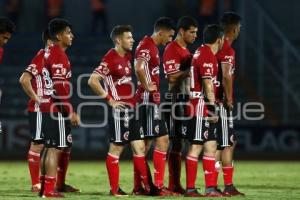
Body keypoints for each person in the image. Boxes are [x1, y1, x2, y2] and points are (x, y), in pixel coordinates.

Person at [88, 25, 152, 196]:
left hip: (132, 109)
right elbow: (93, 80)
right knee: (116, 149)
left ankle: (147, 188)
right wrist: (110, 100)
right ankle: (115, 189)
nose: (132, 40)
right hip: (120, 111)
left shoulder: (128, 57)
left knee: (139, 148)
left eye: (132, 37)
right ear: (118, 40)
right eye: (128, 37)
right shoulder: (110, 58)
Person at [134, 17, 176, 196]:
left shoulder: (150, 46)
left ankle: (141, 187)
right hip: (147, 101)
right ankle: (157, 186)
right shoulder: (147, 46)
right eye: (170, 35)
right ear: (161, 32)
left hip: (149, 101)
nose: (170, 39)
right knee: (163, 139)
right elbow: (138, 67)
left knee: (145, 144)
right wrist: (147, 85)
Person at [39, 18, 80, 198]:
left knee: (49, 147)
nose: (72, 36)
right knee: (55, 148)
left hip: (47, 106)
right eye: (68, 33)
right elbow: (59, 86)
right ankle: (49, 189)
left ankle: (44, 187)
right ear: (58, 35)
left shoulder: (49, 53)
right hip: (56, 109)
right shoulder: (58, 55)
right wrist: (69, 110)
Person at [185, 24, 224, 197]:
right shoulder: (207, 55)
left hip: (196, 104)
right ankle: (191, 188)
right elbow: (208, 84)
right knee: (196, 146)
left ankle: (210, 188)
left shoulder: (200, 51)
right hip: (201, 106)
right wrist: (212, 108)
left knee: (210, 145)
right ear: (220, 39)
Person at [162, 16, 198, 195]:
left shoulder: (186, 50)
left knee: (179, 143)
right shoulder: (172, 48)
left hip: (185, 99)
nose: (195, 35)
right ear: (182, 31)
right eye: (192, 32)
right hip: (175, 99)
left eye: (196, 32)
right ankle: (170, 184)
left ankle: (174, 184)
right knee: (174, 142)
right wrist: (189, 70)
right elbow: (171, 77)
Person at [19, 29, 53, 193]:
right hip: (40, 109)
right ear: (49, 39)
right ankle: (36, 183)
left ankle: (52, 182)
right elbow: (24, 79)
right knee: (38, 144)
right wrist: (36, 98)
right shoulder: (41, 56)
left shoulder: (56, 59)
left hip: (52, 109)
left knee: (57, 146)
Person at [215, 12, 244, 196]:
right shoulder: (227, 49)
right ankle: (227, 186)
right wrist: (229, 98)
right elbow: (226, 75)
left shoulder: (215, 46)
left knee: (219, 143)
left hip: (212, 101)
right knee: (227, 143)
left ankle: (213, 183)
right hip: (221, 103)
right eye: (240, 27)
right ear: (234, 28)